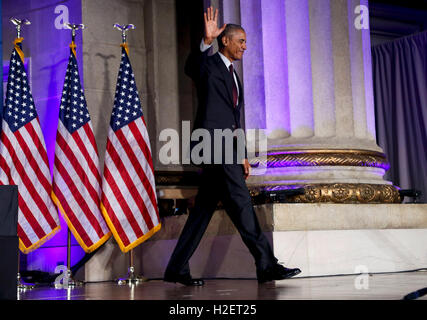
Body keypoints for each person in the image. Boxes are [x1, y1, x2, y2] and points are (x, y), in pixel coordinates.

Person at [164, 6, 301, 286]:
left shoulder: (234, 76)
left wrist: (242, 155)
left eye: (246, 42)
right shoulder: (209, 64)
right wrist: (206, 41)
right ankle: (266, 265)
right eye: (241, 41)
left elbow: (233, 119)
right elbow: (192, 67)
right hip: (212, 145)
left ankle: (176, 268)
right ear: (225, 40)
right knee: (240, 202)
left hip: (227, 147)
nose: (245, 47)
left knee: (202, 211)